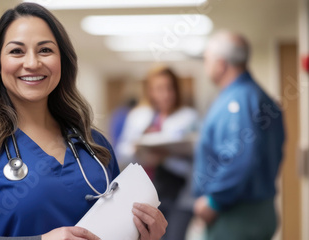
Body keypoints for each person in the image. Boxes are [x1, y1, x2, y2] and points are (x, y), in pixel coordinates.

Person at [0, 3, 167, 240]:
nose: (33, 63)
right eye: (17, 51)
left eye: (45, 50)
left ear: (62, 61)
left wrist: (142, 235)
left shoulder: (93, 145)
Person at [193, 30, 285, 240]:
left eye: (207, 60)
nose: (206, 66)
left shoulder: (237, 101)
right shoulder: (257, 95)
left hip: (236, 215)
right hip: (256, 210)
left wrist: (214, 201)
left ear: (221, 64)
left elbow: (241, 156)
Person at [116, 66, 199, 240]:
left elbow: (198, 157)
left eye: (170, 88)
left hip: (179, 194)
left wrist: (166, 157)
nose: (166, 94)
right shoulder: (138, 116)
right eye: (159, 88)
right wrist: (138, 149)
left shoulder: (189, 117)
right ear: (150, 90)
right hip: (144, 193)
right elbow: (121, 153)